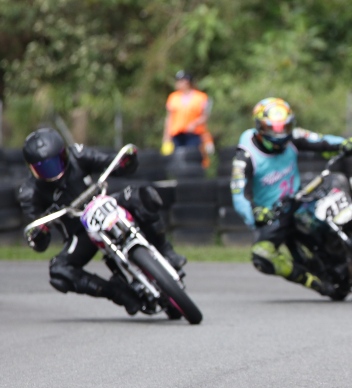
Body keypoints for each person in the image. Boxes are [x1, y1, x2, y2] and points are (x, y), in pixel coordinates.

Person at [18, 127, 186, 315]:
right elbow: (37, 238)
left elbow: (111, 163)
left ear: (64, 153)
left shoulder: (78, 155)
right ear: (32, 168)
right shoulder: (29, 192)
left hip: (106, 203)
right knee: (59, 271)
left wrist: (126, 162)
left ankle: (167, 251)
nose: (52, 171)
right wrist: (40, 234)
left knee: (143, 195)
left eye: (56, 162)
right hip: (80, 232)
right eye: (44, 167)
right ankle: (118, 293)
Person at [230, 97, 352, 296]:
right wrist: (254, 213)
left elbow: (320, 140)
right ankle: (313, 282)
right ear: (260, 127)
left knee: (337, 184)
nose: (280, 134)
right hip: (272, 214)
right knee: (262, 256)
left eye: (285, 127)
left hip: (299, 199)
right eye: (274, 129)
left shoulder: (293, 137)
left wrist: (344, 144)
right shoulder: (245, 155)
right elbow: (238, 193)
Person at [162, 70, 215, 167]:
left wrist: (195, 124)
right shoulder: (173, 97)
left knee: (194, 159)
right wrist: (166, 137)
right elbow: (169, 118)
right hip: (177, 135)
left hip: (194, 134)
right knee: (179, 160)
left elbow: (205, 116)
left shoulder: (201, 97)